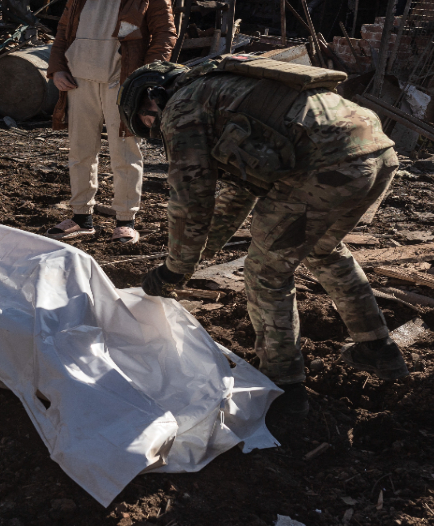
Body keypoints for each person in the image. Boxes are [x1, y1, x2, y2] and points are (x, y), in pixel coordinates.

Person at [118, 56, 411, 417]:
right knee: (324, 251)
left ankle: (285, 388)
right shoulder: (221, 89)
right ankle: (378, 348)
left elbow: (190, 199)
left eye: (146, 122)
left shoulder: (181, 107)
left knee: (265, 272)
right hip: (376, 150)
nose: (152, 130)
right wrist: (207, 248)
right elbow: (243, 187)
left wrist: (175, 270)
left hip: (325, 163)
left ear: (151, 98)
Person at [45, 0, 176, 244]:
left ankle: (125, 220)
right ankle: (81, 217)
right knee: (81, 150)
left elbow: (164, 35)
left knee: (125, 153)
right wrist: (57, 67)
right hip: (79, 80)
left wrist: (146, 80)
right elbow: (64, 29)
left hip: (124, 82)